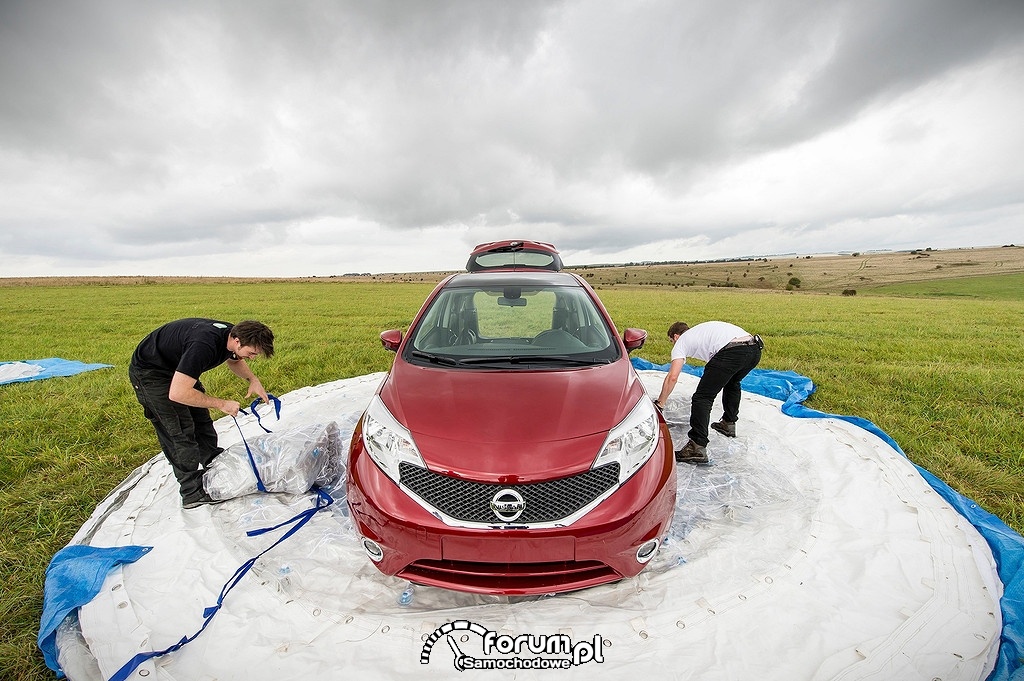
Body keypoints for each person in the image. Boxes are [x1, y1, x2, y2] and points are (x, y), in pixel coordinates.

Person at [129, 318, 275, 508]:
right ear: (237, 341)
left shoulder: (232, 335)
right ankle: (192, 492)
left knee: (202, 423)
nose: (253, 357)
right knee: (180, 432)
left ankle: (214, 466)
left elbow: (234, 359)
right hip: (152, 374)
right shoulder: (203, 345)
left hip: (177, 370)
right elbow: (178, 393)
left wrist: (252, 379)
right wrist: (221, 404)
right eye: (252, 353)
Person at [653, 321, 762, 465]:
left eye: (671, 341)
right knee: (732, 383)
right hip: (754, 348)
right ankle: (728, 423)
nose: (673, 344)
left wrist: (660, 403)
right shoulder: (700, 333)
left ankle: (697, 446)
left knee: (702, 397)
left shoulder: (682, 341)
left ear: (676, 336)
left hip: (733, 351)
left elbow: (672, 377)